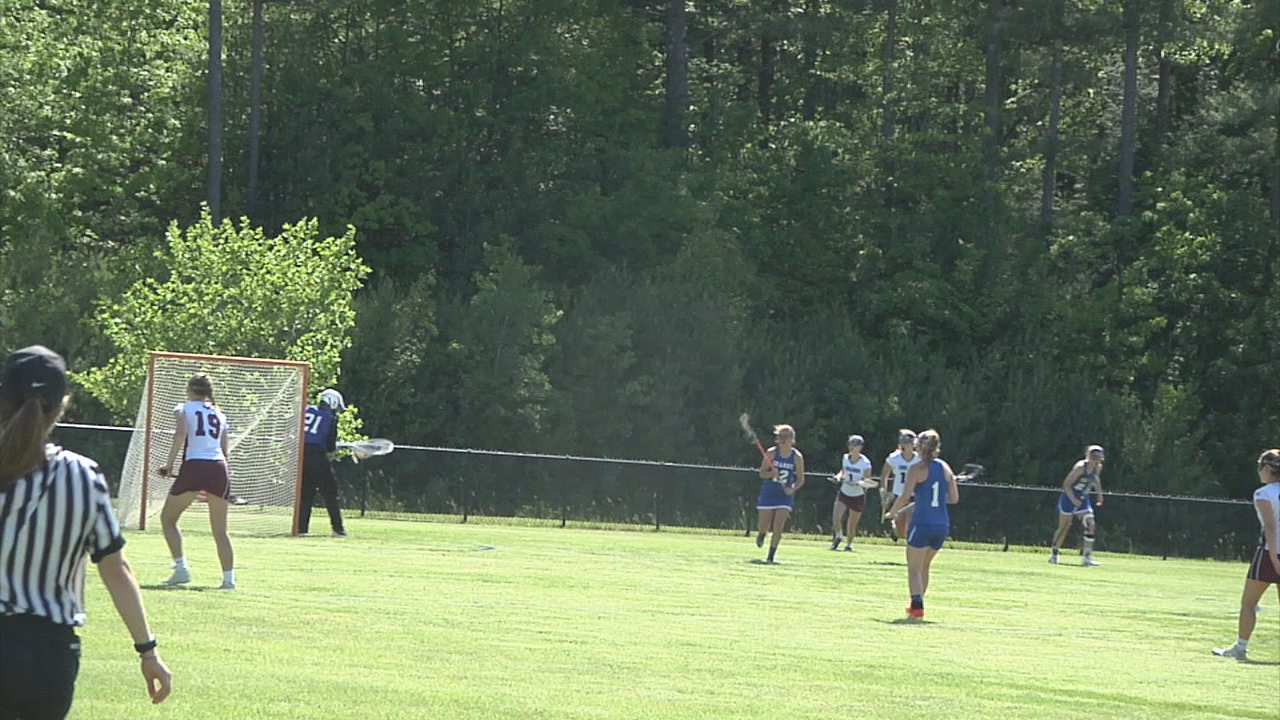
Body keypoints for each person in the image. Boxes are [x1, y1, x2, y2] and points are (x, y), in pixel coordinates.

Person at [0, 345, 171, 718]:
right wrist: (148, 651)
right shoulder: (82, 476)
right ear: (62, 405)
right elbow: (115, 569)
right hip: (48, 656)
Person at [157, 373, 236, 589]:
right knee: (221, 531)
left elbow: (181, 434)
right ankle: (229, 580)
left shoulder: (183, 408)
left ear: (190, 389)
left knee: (168, 519)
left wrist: (169, 464)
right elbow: (225, 451)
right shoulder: (219, 413)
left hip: (195, 465)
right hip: (219, 468)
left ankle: (181, 568)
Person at [1213, 449, 1280, 661]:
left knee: (1249, 602)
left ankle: (1241, 647)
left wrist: (1274, 558)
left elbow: (1270, 527)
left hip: (1270, 552)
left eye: (1260, 467)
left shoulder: (1264, 493)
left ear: (1268, 469)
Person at [885, 429, 959, 620]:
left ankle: (917, 609)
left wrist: (892, 512)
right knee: (924, 567)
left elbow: (904, 496)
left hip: (922, 523)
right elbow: (953, 498)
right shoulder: (945, 468)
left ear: (920, 447)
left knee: (914, 568)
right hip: (942, 524)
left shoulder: (916, 469)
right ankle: (917, 605)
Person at [300, 388, 348, 537]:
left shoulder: (306, 410)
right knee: (330, 493)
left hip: (301, 455)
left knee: (306, 494)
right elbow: (330, 447)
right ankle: (338, 529)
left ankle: (301, 528)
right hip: (317, 456)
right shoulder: (330, 418)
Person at [754, 424, 805, 564]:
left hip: (785, 495)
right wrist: (771, 473)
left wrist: (792, 488)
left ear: (792, 439)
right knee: (764, 524)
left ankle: (771, 555)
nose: (783, 439)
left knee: (778, 526)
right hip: (769, 493)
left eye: (786, 437)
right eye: (781, 436)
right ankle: (762, 534)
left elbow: (801, 479)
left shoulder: (797, 457)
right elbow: (762, 474)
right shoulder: (771, 453)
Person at [1049, 445, 1106, 566]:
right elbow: (1067, 484)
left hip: (1083, 499)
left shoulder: (1098, 467)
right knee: (1064, 527)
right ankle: (1054, 554)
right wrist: (1074, 500)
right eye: (1094, 457)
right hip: (1069, 498)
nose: (1096, 460)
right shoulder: (1080, 467)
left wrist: (1099, 494)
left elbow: (1095, 479)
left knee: (1091, 524)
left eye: (1098, 458)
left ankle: (1087, 557)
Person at [830, 434, 873, 551]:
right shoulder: (845, 458)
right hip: (844, 492)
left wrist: (858, 483)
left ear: (860, 447)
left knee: (852, 524)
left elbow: (867, 481)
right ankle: (838, 536)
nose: (852, 447)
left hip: (857, 495)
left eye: (855, 445)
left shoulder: (865, 463)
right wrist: (838, 477)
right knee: (836, 517)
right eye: (850, 444)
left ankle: (849, 544)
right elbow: (843, 471)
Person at [880, 429, 922, 542]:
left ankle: (913, 552)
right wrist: (883, 492)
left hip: (914, 495)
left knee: (911, 525)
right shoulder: (894, 458)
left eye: (909, 442)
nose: (907, 445)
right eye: (905, 442)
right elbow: (884, 475)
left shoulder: (920, 459)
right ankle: (894, 526)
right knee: (900, 532)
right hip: (898, 495)